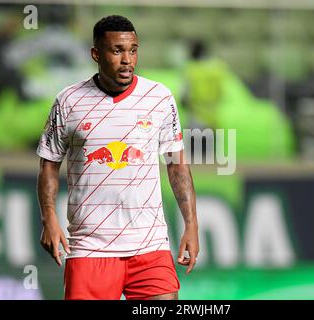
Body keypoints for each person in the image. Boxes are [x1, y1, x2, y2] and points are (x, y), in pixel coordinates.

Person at [36, 15, 199, 300]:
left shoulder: (159, 98)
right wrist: (48, 217)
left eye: (133, 50)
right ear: (96, 54)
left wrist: (191, 225)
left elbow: (177, 166)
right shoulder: (69, 101)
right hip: (89, 248)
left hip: (150, 246)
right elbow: (49, 165)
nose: (127, 60)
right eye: (117, 51)